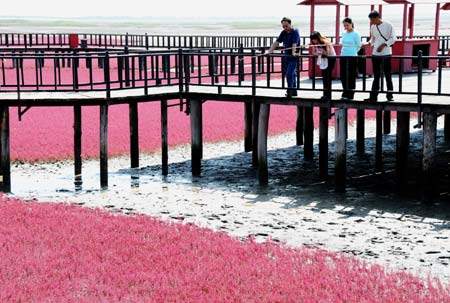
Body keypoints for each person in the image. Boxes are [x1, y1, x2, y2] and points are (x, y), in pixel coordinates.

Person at [365, 10, 396, 102]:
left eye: (372, 19)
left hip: (386, 53)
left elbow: (393, 38)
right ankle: (373, 96)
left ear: (377, 17)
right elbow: (373, 39)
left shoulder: (388, 25)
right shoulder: (373, 27)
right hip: (375, 54)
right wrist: (368, 43)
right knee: (376, 75)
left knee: (388, 75)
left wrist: (383, 45)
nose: (371, 22)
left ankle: (390, 95)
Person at [268, 17, 300, 97]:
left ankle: (290, 90)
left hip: (293, 57)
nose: (285, 28)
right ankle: (294, 91)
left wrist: (293, 52)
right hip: (286, 56)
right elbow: (277, 42)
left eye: (286, 26)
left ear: (290, 24)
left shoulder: (295, 31)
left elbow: (294, 43)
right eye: (283, 26)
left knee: (289, 73)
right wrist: (270, 51)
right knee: (291, 73)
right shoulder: (283, 32)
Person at [309, 31, 336, 100]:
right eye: (312, 39)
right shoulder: (314, 44)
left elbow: (326, 53)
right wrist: (318, 52)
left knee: (327, 76)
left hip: (330, 59)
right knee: (324, 76)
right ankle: (325, 94)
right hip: (323, 59)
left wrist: (320, 50)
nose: (314, 41)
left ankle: (328, 95)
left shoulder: (324, 42)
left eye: (315, 39)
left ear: (318, 38)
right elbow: (313, 53)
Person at [340, 17, 361, 101]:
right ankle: (345, 91)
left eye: (347, 25)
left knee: (351, 75)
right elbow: (343, 44)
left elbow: (358, 46)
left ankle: (351, 93)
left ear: (351, 24)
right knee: (343, 75)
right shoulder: (343, 33)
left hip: (352, 56)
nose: (346, 27)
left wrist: (352, 51)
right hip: (343, 55)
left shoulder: (356, 34)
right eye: (344, 25)